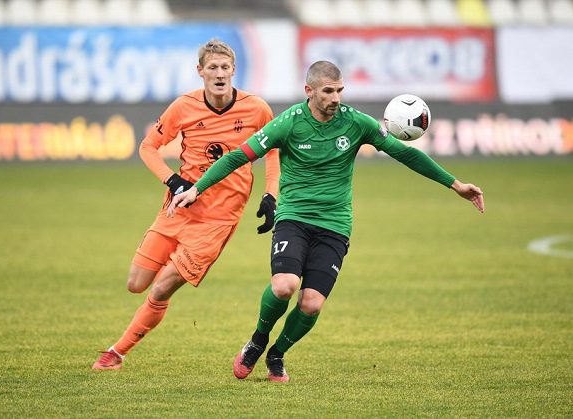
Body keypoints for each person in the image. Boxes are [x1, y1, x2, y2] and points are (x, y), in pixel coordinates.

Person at [167, 60, 485, 382]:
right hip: (294, 217)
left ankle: (276, 354)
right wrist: (196, 189)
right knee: (284, 286)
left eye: (340, 91)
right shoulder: (288, 123)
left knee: (311, 304)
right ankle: (257, 341)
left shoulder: (356, 123)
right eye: (328, 91)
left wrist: (455, 184)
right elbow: (238, 156)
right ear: (309, 91)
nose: (336, 98)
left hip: (335, 224)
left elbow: (405, 154)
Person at [92, 39, 280, 370]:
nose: (219, 74)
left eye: (225, 68)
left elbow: (275, 149)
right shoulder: (184, 106)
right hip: (178, 208)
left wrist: (270, 193)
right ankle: (119, 349)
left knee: (164, 286)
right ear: (200, 71)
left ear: (234, 70)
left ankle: (115, 353)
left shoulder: (257, 109)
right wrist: (172, 179)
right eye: (213, 68)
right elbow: (148, 146)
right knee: (136, 284)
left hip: (218, 220)